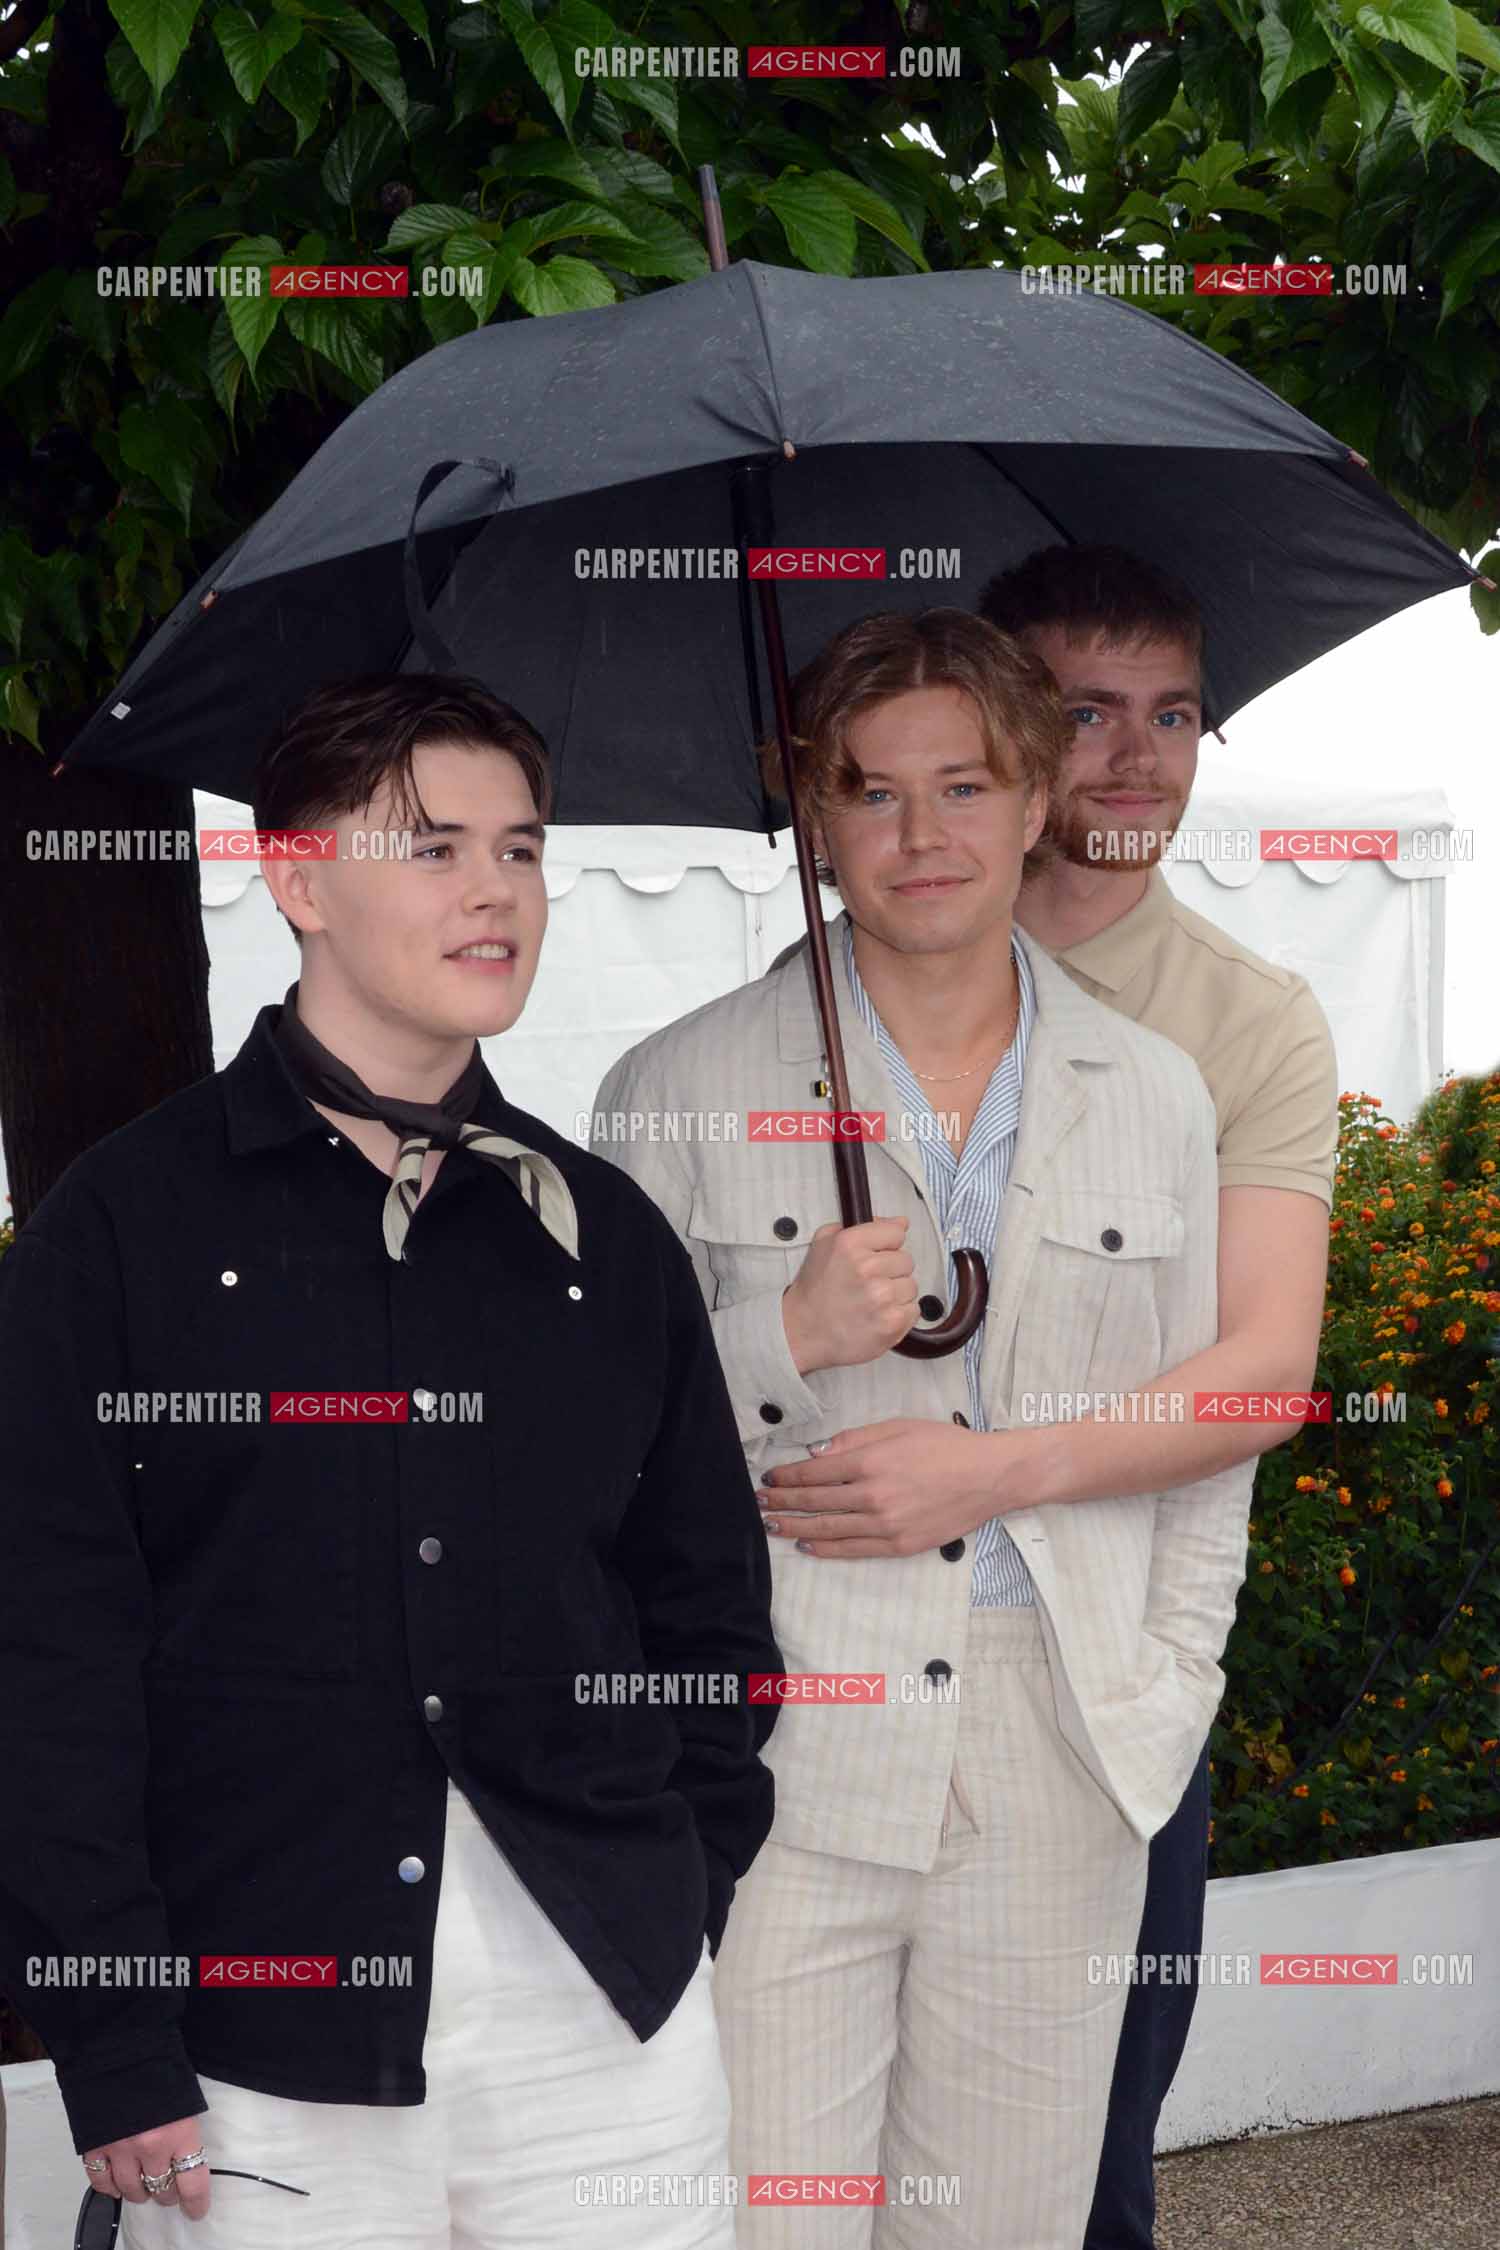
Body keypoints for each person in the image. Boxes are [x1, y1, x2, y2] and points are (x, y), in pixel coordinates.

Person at [0, 674, 782, 2250]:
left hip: (609, 2017)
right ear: (297, 879)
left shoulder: (604, 1240)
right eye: (430, 845)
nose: (494, 886)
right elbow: (48, 1657)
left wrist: (691, 1874)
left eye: (521, 844)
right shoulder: (118, 1232)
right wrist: (115, 2032)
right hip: (258, 2041)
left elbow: (704, 1605)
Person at [589, 609, 1258, 2249]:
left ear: (1037, 798)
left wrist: (1164, 1694)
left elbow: (1208, 1427)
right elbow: (596, 1465)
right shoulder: (667, 1090)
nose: (922, 834)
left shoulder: (1157, 1089)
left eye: (965, 785)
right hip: (789, 1757)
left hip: (1063, 1757)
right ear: (814, 813)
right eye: (873, 791)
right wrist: (785, 1333)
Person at [983, 546, 1338, 2250]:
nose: (1135, 759)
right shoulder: (829, 1001)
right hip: (841, 1683)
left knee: (1087, 2177)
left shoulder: (1247, 1026)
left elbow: (1264, 1373)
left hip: (1118, 1684)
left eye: (1174, 712)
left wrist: (987, 1473)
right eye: (1082, 711)